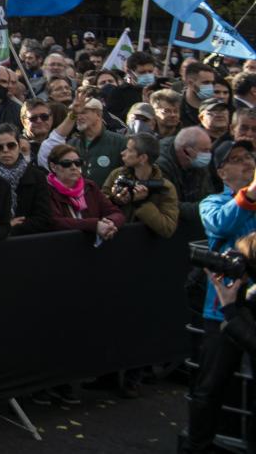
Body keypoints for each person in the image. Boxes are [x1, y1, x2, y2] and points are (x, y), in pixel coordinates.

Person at [184, 139, 256, 453]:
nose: (248, 163)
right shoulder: (212, 203)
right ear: (222, 171)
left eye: (250, 156)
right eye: (238, 159)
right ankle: (198, 447)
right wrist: (250, 194)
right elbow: (220, 223)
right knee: (210, 386)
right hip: (222, 310)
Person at [29, 143, 124, 238]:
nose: (74, 167)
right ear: (53, 167)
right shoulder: (45, 188)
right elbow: (54, 222)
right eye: (66, 163)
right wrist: (95, 225)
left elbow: (116, 213)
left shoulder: (90, 186)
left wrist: (110, 223)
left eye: (78, 163)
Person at [101, 133, 180, 239]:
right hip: (115, 240)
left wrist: (141, 203)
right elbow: (99, 206)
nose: (122, 153)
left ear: (143, 158)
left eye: (129, 150)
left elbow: (168, 228)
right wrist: (115, 200)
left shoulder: (165, 188)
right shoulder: (117, 175)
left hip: (147, 245)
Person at [41, 93, 127, 184]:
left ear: (98, 114)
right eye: (76, 113)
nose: (78, 117)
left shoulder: (119, 142)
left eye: (83, 112)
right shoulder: (71, 144)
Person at [159, 126, 215, 207]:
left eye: (209, 150)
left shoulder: (197, 162)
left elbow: (208, 193)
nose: (208, 154)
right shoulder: (161, 167)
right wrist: (206, 210)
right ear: (185, 151)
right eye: (204, 150)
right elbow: (169, 206)